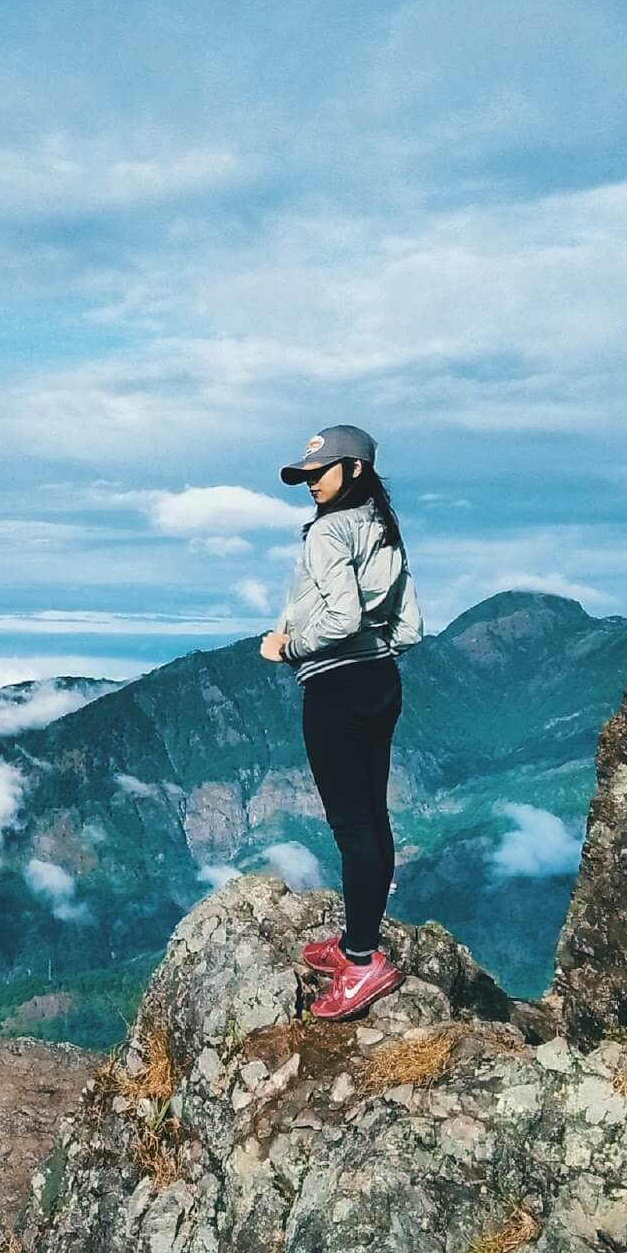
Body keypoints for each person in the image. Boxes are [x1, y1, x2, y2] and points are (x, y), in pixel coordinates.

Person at [258, 424, 424, 1020]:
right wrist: (373, 663)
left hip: (335, 687)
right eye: (304, 475)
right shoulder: (385, 528)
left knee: (351, 826)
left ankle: (360, 962)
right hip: (381, 682)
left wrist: (288, 645)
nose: (309, 484)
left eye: (319, 472)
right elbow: (409, 627)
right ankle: (358, 938)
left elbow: (339, 619)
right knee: (372, 817)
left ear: (354, 470)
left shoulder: (328, 533)